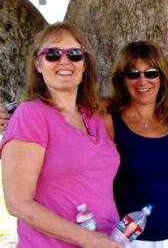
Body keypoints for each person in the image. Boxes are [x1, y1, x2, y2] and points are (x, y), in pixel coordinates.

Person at [0, 23, 123, 247]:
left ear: (84, 64)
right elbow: (17, 203)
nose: (64, 61)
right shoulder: (31, 115)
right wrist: (89, 239)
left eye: (75, 54)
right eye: (53, 54)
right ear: (38, 64)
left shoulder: (92, 115)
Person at [101, 41, 168, 247]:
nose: (142, 80)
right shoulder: (109, 121)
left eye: (151, 72)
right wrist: (15, 114)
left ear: (162, 77)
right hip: (133, 240)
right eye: (133, 73)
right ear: (123, 80)